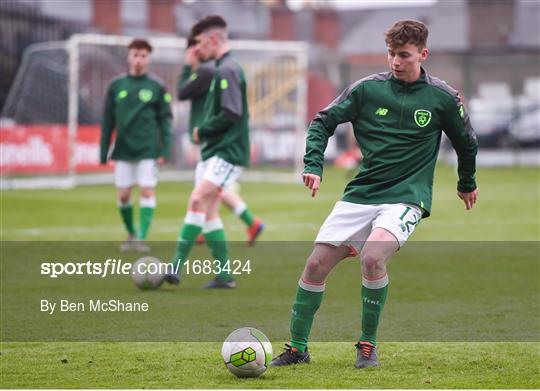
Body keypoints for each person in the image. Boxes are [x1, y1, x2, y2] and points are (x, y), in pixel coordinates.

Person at [270, 20, 478, 368]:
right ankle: (297, 349)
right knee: (315, 265)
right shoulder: (366, 90)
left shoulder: (442, 97)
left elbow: (466, 142)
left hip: (407, 196)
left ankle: (367, 346)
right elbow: (322, 120)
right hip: (361, 193)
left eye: (404, 55)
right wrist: (313, 164)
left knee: (371, 258)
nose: (395, 62)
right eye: (392, 54)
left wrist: (466, 182)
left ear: (423, 54)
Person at [165, 15, 250, 289]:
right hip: (215, 151)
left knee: (196, 199)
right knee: (210, 211)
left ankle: (175, 266)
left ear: (213, 39)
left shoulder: (227, 70)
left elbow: (232, 113)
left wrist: (203, 129)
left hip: (226, 151)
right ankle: (225, 276)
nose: (198, 48)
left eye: (200, 42)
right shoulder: (221, 68)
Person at [178, 36, 264, 247]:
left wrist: (187, 67)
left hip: (217, 142)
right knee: (213, 192)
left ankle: (201, 229)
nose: (195, 49)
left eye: (196, 45)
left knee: (208, 193)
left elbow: (182, 92)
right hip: (212, 141)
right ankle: (247, 224)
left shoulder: (208, 71)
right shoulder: (212, 71)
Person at [100, 38, 172, 252]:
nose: (139, 59)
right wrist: (104, 151)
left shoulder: (157, 86)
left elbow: (165, 120)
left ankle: (141, 236)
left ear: (148, 59)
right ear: (128, 56)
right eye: (135, 55)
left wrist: (165, 148)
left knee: (147, 191)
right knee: (123, 195)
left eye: (143, 55)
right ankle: (131, 233)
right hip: (123, 149)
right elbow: (107, 120)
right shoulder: (116, 86)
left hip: (147, 149)